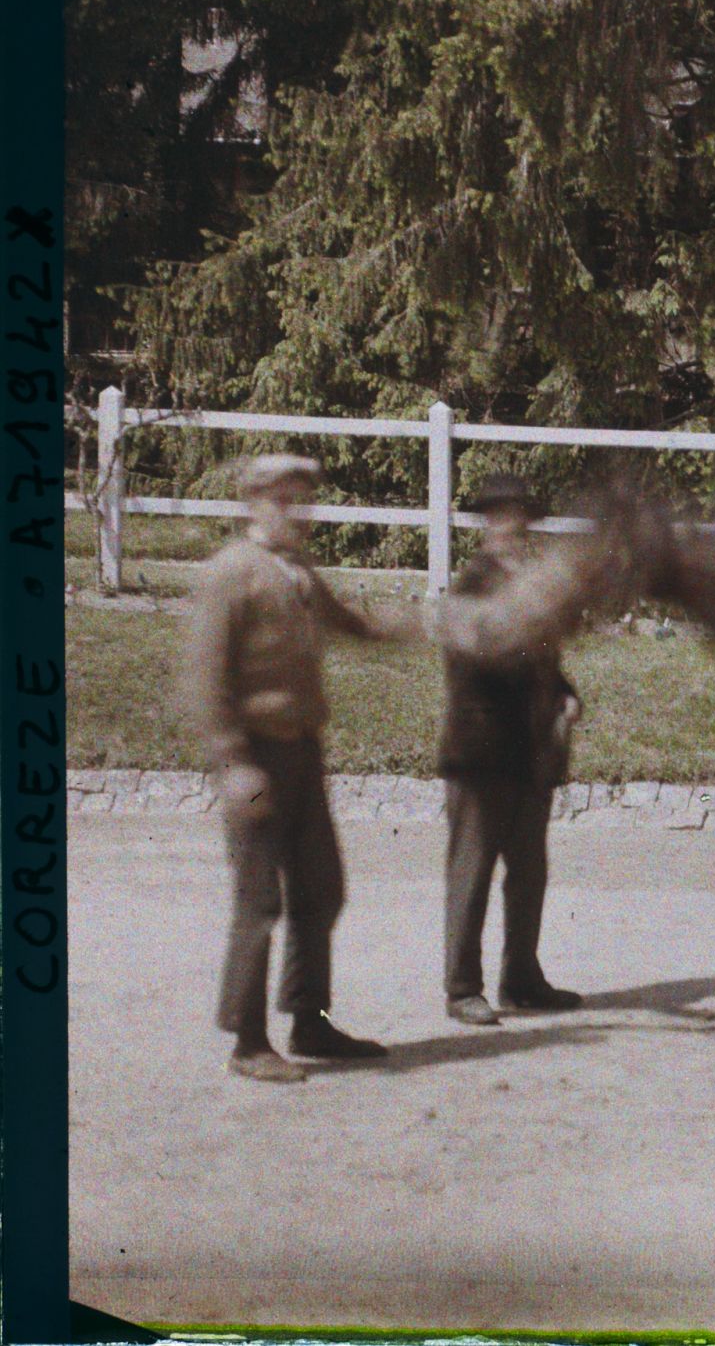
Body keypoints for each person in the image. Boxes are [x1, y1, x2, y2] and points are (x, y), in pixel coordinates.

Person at [182, 453, 417, 1083]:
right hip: (254, 760)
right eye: (283, 500)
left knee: (321, 886)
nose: (296, 512)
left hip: (303, 754)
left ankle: (308, 1019)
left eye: (302, 500)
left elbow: (351, 621)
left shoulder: (300, 570)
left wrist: (414, 624)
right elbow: (205, 680)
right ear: (253, 503)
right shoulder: (230, 573)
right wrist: (232, 763)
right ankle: (248, 1040)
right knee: (259, 898)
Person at [435, 473, 583, 1026]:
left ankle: (521, 978)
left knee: (528, 870)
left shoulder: (533, 586)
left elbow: (547, 659)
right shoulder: (473, 585)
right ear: (488, 524)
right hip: (482, 748)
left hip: (529, 750)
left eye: (520, 516)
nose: (513, 525)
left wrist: (564, 694)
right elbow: (477, 659)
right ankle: (461, 987)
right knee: (471, 869)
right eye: (502, 516)